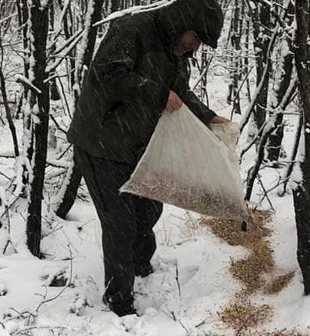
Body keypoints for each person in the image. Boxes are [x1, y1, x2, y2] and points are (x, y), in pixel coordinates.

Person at [66, 0, 227, 316]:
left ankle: (140, 265)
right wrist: (156, 93)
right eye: (196, 37)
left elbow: (179, 93)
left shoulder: (175, 51)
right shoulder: (134, 30)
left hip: (135, 146)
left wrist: (208, 117)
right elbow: (107, 76)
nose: (195, 47)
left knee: (150, 206)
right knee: (120, 224)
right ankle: (119, 301)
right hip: (101, 142)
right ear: (183, 22)